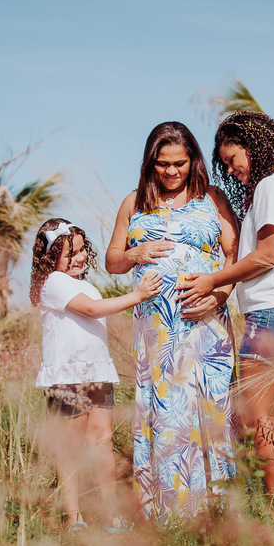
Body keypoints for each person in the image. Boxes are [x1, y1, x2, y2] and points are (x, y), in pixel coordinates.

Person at [176, 110, 274, 522]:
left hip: (273, 313)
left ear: (253, 146)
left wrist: (213, 280)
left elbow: (268, 255)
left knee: (261, 418)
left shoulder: (272, 184)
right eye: (223, 163)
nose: (230, 169)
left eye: (232, 158)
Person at [105, 122, 240, 520]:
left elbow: (233, 255)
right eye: (162, 164)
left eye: (179, 163)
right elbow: (112, 260)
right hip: (158, 330)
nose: (171, 171)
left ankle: (220, 510)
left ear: (192, 160)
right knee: (167, 410)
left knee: (212, 408)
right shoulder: (134, 202)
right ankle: (172, 512)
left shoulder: (211, 198)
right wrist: (135, 253)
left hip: (207, 323)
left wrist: (218, 296)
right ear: (151, 162)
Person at [32, 217, 162, 532]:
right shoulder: (53, 282)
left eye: (81, 250)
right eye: (70, 253)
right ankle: (73, 517)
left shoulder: (86, 285)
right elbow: (91, 310)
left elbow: (95, 309)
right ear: (51, 258)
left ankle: (111, 514)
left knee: (102, 441)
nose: (79, 258)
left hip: (97, 370)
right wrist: (137, 296)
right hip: (69, 375)